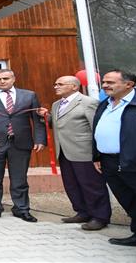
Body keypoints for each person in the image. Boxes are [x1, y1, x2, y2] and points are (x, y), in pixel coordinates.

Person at [36, 76, 110, 230]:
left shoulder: (88, 103)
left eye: (60, 84)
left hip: (84, 151)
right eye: (55, 84)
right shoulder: (57, 105)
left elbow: (96, 128)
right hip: (64, 151)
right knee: (72, 184)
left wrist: (97, 153)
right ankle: (82, 211)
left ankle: (100, 217)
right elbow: (58, 124)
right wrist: (46, 116)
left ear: (74, 87)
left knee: (91, 185)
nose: (56, 86)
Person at [0, 69, 45, 223]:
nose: (2, 81)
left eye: (5, 78)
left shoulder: (29, 95)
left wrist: (40, 139)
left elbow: (37, 118)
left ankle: (22, 209)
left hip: (20, 142)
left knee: (19, 179)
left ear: (13, 78)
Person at [93, 69, 136, 246]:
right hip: (108, 161)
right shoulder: (105, 104)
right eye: (104, 82)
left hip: (132, 160)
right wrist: (95, 156)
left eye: (110, 82)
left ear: (129, 84)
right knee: (127, 199)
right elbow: (97, 130)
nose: (104, 85)